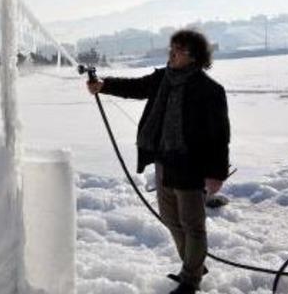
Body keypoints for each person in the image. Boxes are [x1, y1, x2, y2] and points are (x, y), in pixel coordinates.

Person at [86, 29, 230, 294]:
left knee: (192, 225)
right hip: (164, 162)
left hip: (190, 166)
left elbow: (220, 136)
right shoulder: (163, 78)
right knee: (170, 219)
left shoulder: (209, 90)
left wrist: (216, 174)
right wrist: (104, 85)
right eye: (171, 49)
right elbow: (136, 87)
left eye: (178, 51)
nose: (171, 54)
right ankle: (194, 264)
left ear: (194, 57)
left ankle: (190, 279)